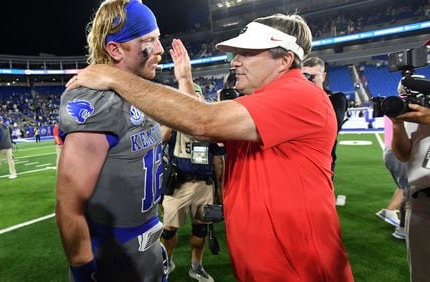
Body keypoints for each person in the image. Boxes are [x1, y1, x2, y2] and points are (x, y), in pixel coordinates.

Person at [67, 13, 354, 281]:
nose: (234, 61)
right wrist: (185, 81)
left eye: (248, 53)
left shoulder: (299, 95)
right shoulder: (264, 100)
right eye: (236, 53)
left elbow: (202, 122)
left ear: (284, 59)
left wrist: (115, 77)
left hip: (299, 268)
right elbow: (205, 133)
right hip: (273, 264)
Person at [55, 0, 168, 281]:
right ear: (115, 49)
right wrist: (84, 270)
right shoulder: (98, 101)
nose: (160, 49)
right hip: (115, 256)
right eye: (149, 40)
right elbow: (68, 205)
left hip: (149, 242)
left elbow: (140, 146)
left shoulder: (140, 91)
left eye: (158, 38)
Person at [161, 83, 222, 282]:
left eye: (196, 97)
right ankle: (167, 261)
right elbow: (161, 139)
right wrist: (172, 116)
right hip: (178, 184)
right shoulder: (173, 124)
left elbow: (217, 160)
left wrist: (219, 190)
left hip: (204, 184)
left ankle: (196, 267)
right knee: (169, 230)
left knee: (200, 230)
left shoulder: (210, 125)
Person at [391, 81, 430, 282]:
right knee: (422, 274)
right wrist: (397, 125)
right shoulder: (418, 103)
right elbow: (403, 154)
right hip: (421, 199)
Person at [302, 56, 348, 175]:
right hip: (297, 162)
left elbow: (334, 125)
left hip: (322, 164)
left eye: (313, 77)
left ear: (323, 76)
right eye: (305, 76)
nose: (309, 80)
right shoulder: (296, 100)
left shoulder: (336, 99)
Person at [376, 116, 408, 239]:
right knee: (410, 191)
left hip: (391, 152)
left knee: (404, 187)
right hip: (399, 153)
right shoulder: (407, 107)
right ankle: (403, 228)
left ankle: (389, 211)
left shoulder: (396, 105)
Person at [0, 115, 17, 180]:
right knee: (10, 160)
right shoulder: (7, 126)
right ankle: (13, 174)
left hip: (0, 146)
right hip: (9, 145)